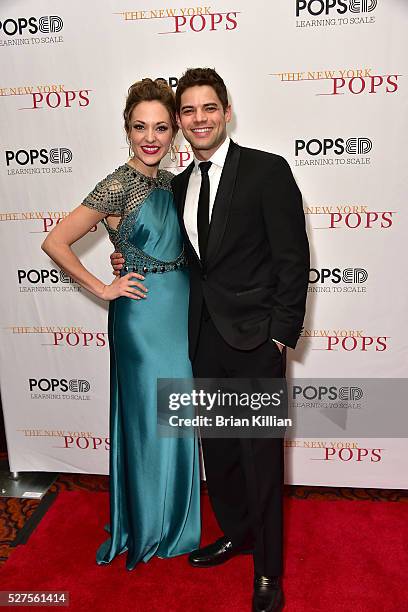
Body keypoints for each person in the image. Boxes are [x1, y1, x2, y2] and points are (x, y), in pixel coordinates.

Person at [112, 68, 310, 611]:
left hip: (256, 342)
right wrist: (125, 259)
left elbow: (293, 261)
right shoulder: (175, 186)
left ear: (226, 112)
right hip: (201, 338)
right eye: (189, 112)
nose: (199, 119)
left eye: (209, 109)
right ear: (180, 121)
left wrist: (280, 336)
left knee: (261, 461)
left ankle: (269, 572)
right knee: (219, 453)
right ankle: (238, 533)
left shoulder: (268, 172)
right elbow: (178, 259)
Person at [41, 78, 201, 570]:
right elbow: (55, 241)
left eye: (160, 127)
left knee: (177, 413)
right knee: (148, 417)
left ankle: (176, 516)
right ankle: (150, 523)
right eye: (139, 127)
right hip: (141, 313)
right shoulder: (116, 184)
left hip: (181, 309)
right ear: (126, 130)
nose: (150, 138)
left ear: (175, 129)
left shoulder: (176, 180)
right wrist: (104, 285)